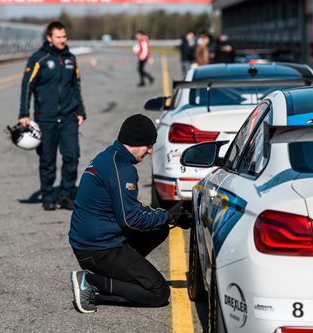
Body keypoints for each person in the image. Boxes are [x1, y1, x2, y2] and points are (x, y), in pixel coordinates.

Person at [68, 114, 189, 313]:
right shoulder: (122, 169)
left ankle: (119, 274)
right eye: (148, 145)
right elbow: (130, 219)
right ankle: (92, 284)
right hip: (98, 250)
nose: (150, 151)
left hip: (92, 242)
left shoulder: (109, 157)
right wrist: (168, 216)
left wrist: (165, 217)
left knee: (159, 229)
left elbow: (128, 207)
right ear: (135, 142)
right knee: (159, 293)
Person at [19, 21, 86, 211]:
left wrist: (80, 111)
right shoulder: (38, 58)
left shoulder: (71, 59)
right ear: (49, 38)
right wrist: (24, 114)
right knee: (47, 160)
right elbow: (27, 86)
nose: (63, 40)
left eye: (64, 36)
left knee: (72, 156)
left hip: (68, 118)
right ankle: (48, 195)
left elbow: (76, 87)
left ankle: (66, 194)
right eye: (59, 37)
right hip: (45, 119)